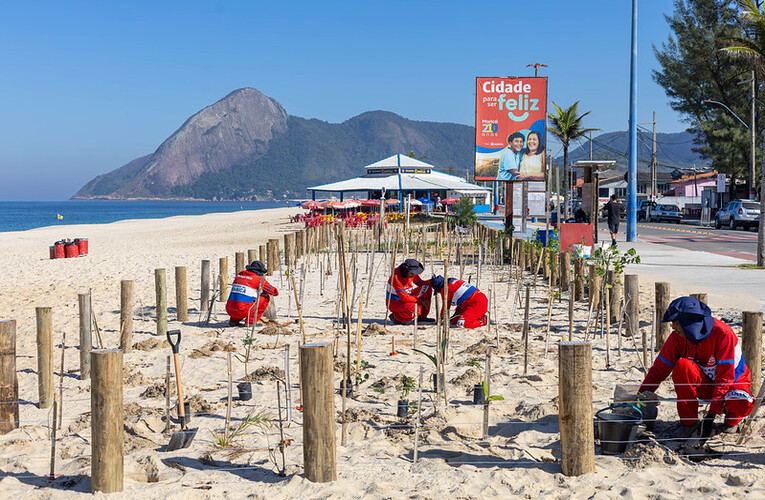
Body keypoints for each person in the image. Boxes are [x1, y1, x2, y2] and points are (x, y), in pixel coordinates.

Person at [637, 296, 754, 439]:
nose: (673, 327)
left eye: (676, 322)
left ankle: (732, 422)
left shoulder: (723, 334)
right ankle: (689, 424)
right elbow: (658, 371)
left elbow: (725, 377)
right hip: (707, 386)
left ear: (690, 323)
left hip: (733, 386)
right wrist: (639, 399)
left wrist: (711, 415)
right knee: (683, 366)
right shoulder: (677, 337)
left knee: (739, 401)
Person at [226, 261, 279, 326]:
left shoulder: (239, 275)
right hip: (242, 310)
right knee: (265, 298)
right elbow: (274, 292)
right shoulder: (258, 279)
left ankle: (234, 320)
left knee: (240, 299)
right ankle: (250, 322)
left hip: (229, 310)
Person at [386, 258, 435, 324]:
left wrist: (432, 282)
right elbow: (404, 298)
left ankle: (422, 317)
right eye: (412, 273)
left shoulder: (411, 273)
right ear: (406, 270)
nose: (414, 275)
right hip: (396, 302)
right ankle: (396, 317)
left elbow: (421, 283)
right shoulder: (396, 277)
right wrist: (420, 301)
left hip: (407, 296)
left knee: (427, 287)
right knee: (416, 310)